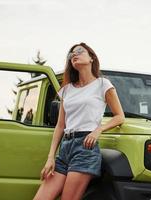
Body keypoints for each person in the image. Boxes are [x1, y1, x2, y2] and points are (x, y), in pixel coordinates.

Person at [33, 42, 125, 200]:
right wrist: (50, 157)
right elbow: (60, 125)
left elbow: (119, 116)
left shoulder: (103, 84)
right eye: (71, 54)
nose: (74, 55)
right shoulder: (66, 90)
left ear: (91, 58)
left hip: (85, 149)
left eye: (79, 51)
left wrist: (98, 130)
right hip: (65, 149)